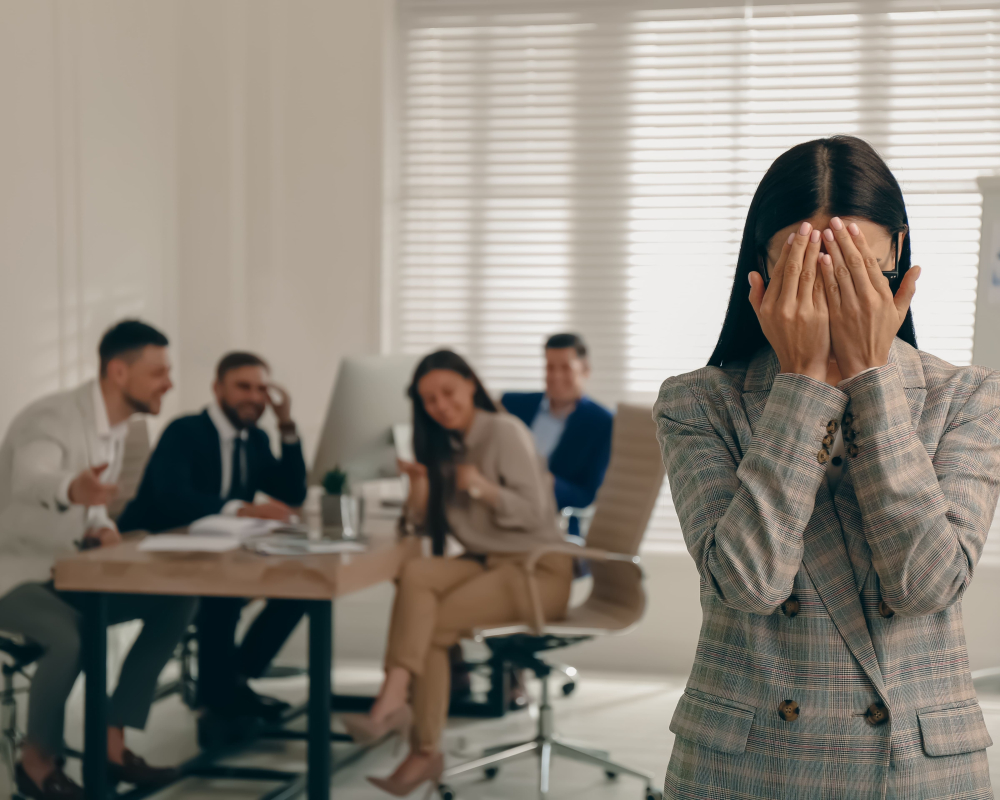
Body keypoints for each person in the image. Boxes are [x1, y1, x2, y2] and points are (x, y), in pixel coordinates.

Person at [655, 135, 999, 799]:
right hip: (746, 767)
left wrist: (871, 377)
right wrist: (803, 384)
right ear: (762, 270)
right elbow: (749, 582)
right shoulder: (697, 401)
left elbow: (926, 583)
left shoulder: (969, 397)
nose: (831, 292)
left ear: (897, 254)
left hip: (914, 767)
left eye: (856, 268)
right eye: (805, 271)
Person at [341, 350, 573, 797]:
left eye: (448, 393)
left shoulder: (503, 431)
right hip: (492, 563)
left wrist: (481, 488)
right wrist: (421, 488)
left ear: (471, 383)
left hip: (537, 571)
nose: (440, 406)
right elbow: (426, 528)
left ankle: (407, 727)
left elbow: (535, 516)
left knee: (432, 626)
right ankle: (399, 710)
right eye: (429, 400)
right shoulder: (446, 444)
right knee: (416, 574)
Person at [0, 320, 198, 800]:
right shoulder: (50, 418)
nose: (169, 383)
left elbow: (91, 512)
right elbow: (33, 476)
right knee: (73, 638)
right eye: (159, 372)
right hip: (16, 577)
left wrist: (103, 528)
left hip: (68, 573)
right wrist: (72, 487)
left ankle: (110, 743)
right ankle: (37, 762)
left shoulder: (116, 428)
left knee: (177, 600)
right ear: (118, 371)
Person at [118, 351, 308, 729]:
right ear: (217, 387)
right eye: (243, 387)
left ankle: (231, 682)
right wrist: (242, 509)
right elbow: (171, 498)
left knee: (301, 587)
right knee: (221, 596)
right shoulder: (185, 431)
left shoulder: (254, 438)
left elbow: (292, 491)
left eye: (261, 389)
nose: (254, 397)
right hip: (158, 551)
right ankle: (219, 704)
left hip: (217, 554)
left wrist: (286, 425)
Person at [502, 333, 613, 537]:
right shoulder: (512, 405)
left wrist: (548, 482)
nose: (556, 376)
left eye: (565, 368)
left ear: (585, 369)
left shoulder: (602, 423)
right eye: (550, 367)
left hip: (553, 522)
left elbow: (588, 496)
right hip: (501, 509)